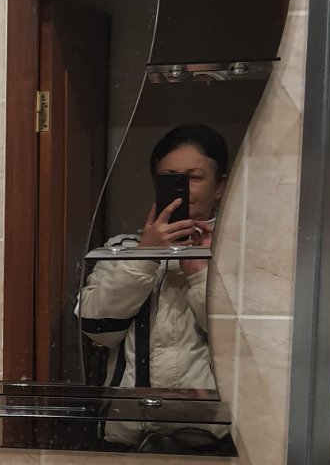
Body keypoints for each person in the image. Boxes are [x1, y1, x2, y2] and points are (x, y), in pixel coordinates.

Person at [77, 124, 229, 448]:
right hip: (126, 433)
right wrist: (145, 256)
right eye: (170, 178)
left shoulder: (237, 254)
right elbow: (97, 329)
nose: (183, 188)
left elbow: (244, 344)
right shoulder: (122, 249)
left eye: (195, 177)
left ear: (220, 186)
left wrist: (200, 274)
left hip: (213, 433)